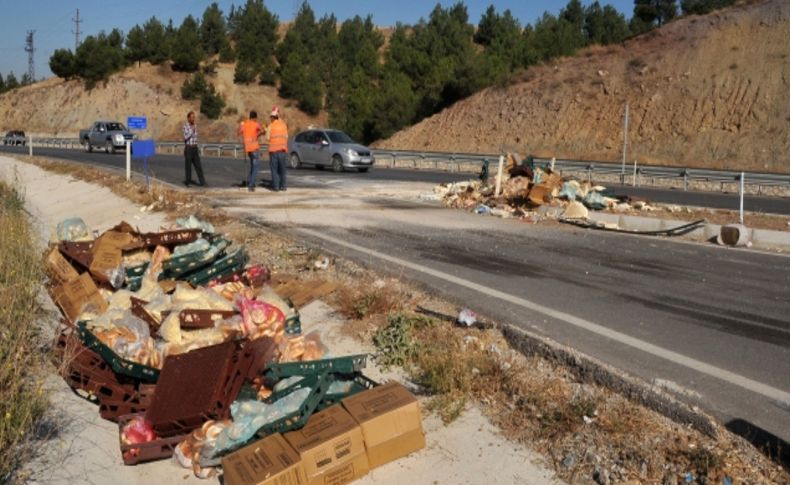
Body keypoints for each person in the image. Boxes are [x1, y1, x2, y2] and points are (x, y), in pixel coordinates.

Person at [237, 110, 263, 192]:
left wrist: (240, 125)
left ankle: (249, 181)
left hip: (248, 149)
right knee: (255, 167)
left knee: (252, 166)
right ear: (255, 118)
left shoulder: (244, 124)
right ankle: (251, 185)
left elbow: (238, 132)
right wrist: (257, 135)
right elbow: (262, 131)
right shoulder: (256, 124)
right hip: (254, 148)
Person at [267, 106, 289, 192]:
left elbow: (268, 138)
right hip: (283, 151)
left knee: (274, 170)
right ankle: (283, 186)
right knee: (282, 169)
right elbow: (286, 137)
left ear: (273, 117)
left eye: (270, 117)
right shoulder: (283, 125)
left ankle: (276, 187)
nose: (270, 119)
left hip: (274, 151)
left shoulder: (271, 126)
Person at [182, 111, 206, 187]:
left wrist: (197, 146)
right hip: (188, 148)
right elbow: (185, 137)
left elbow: (195, 137)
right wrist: (192, 130)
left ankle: (203, 182)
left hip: (194, 148)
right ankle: (188, 182)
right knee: (188, 166)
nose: (193, 119)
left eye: (194, 117)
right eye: (192, 117)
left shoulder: (195, 125)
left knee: (198, 166)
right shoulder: (185, 126)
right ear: (188, 118)